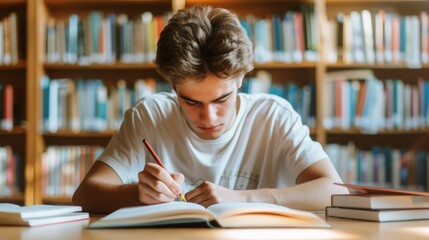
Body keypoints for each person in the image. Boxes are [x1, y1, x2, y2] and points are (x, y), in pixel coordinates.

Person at [72, 5, 348, 214]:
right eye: (191, 101)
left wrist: (242, 198)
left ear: (241, 79)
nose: (208, 118)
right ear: (173, 86)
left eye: (221, 99)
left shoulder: (273, 116)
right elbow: (85, 196)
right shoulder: (149, 115)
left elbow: (334, 192)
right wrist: (137, 194)